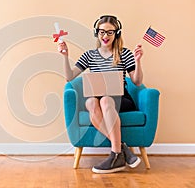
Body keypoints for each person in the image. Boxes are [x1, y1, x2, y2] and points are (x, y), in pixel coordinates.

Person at [58, 15, 144, 174]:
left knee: (105, 100)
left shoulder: (123, 53)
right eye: (102, 32)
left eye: (110, 32)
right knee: (91, 103)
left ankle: (115, 154)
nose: (105, 36)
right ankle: (122, 150)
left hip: (121, 98)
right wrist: (65, 56)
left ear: (116, 34)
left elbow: (137, 82)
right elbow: (69, 77)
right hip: (97, 97)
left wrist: (138, 61)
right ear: (96, 33)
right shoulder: (89, 55)